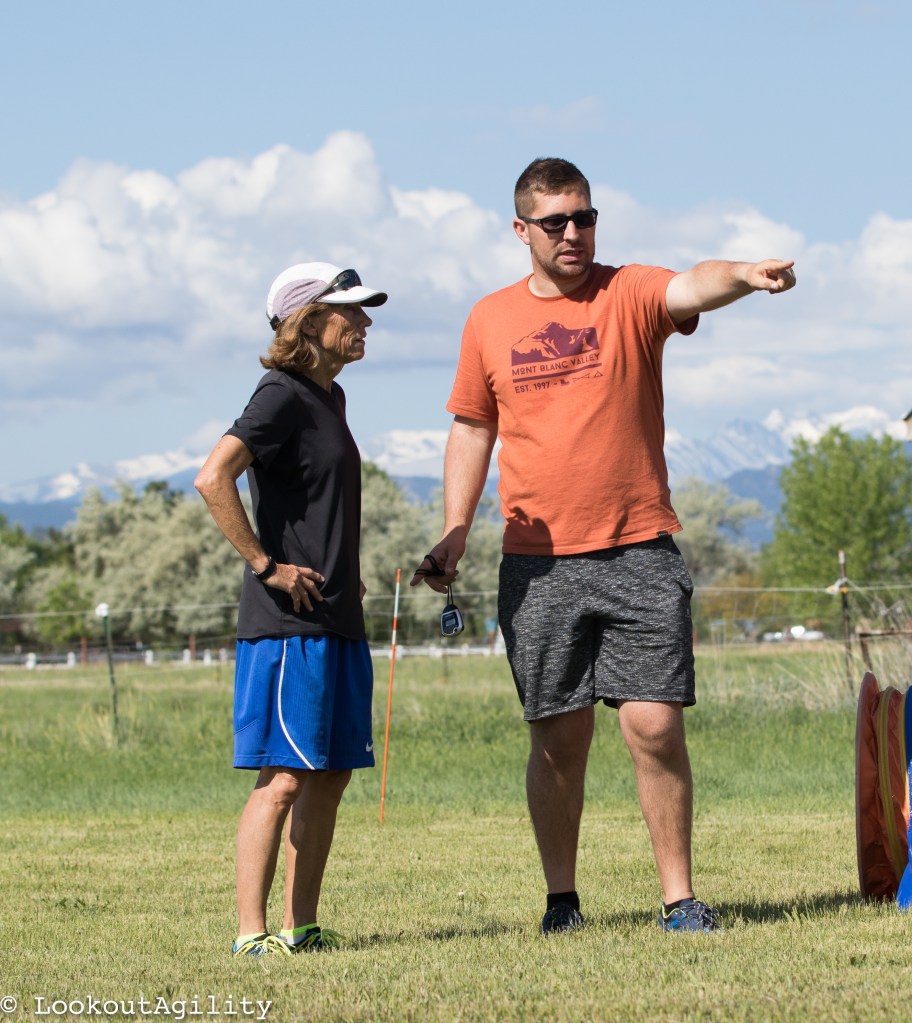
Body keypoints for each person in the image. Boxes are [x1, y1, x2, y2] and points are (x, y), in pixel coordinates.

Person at [412, 158, 796, 935]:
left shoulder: (628, 292)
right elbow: (473, 427)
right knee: (560, 738)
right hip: (537, 562)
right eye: (555, 221)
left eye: (584, 217)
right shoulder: (488, 319)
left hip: (639, 547)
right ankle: (562, 901)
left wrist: (744, 275)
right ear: (521, 229)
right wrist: (455, 530)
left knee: (655, 724)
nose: (573, 233)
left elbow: (691, 284)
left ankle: (680, 899)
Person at [195, 262, 387, 957]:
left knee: (330, 773)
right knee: (283, 778)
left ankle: (298, 926)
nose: (364, 322)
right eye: (350, 311)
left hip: (336, 618)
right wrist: (265, 565)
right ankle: (251, 933)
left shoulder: (330, 398)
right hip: (287, 626)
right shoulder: (279, 393)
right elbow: (213, 476)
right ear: (307, 322)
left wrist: (348, 574)